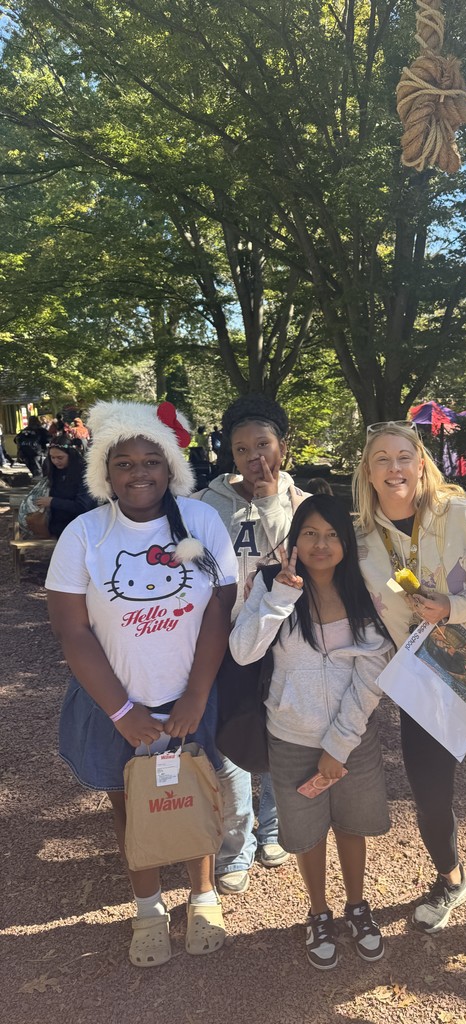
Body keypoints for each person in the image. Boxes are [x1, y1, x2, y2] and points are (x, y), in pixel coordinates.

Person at [45, 400, 238, 968]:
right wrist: (121, 710)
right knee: (132, 806)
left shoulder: (199, 524)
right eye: (123, 462)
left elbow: (220, 608)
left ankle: (203, 896)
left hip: (188, 695)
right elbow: (72, 629)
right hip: (119, 704)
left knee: (199, 794)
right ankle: (148, 907)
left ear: (171, 466)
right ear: (105, 472)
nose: (138, 473)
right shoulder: (85, 534)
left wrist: (196, 696)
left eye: (150, 460)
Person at [352, 421, 466, 981]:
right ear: (368, 471)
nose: (394, 467)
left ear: (422, 462)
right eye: (381, 458)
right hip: (425, 685)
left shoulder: (465, 517)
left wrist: (451, 608)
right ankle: (452, 879)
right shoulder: (361, 541)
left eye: (404, 455)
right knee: (429, 800)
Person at [230, 494, 393, 970]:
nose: (321, 545)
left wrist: (339, 745)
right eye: (310, 534)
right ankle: (318, 912)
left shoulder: (365, 590)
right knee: (305, 833)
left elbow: (371, 672)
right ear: (294, 540)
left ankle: (357, 906)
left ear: (347, 542)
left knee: (350, 825)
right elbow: (243, 652)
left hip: (352, 739)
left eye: (332, 535)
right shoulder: (269, 583)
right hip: (289, 735)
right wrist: (282, 596)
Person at [195, 394, 306, 890]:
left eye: (263, 444)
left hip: (286, 637)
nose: (254, 457)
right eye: (241, 449)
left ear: (283, 444)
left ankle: (275, 827)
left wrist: (266, 501)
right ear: (230, 455)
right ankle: (234, 846)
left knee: (283, 733)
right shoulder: (205, 504)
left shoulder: (301, 503)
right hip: (227, 639)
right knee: (232, 742)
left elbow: (293, 559)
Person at [33, 440, 96, 538]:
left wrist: (53, 502)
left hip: (81, 526)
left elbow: (83, 507)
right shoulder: (54, 471)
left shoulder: (84, 474)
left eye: (60, 458)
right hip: (57, 526)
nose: (56, 461)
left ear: (70, 455)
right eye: (52, 457)